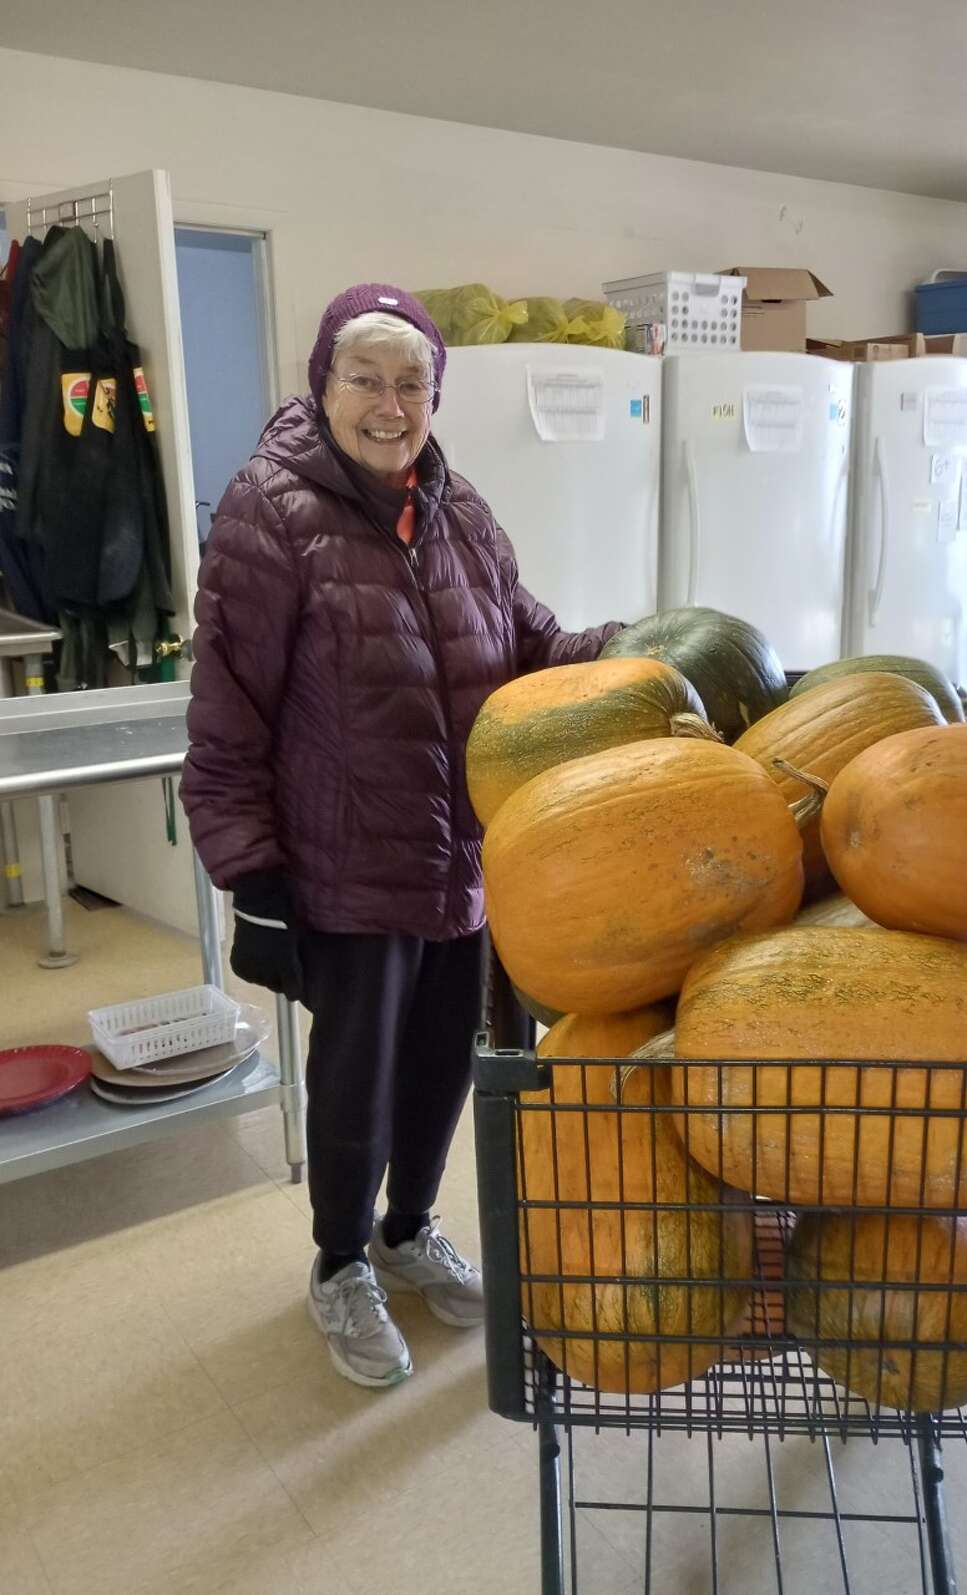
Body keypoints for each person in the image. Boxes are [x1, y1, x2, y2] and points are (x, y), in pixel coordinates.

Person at [181, 284, 620, 1389]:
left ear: (436, 393)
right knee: (356, 1080)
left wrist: (629, 651)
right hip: (341, 861)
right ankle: (339, 1259)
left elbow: (529, 640)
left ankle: (410, 1226)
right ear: (322, 385)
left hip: (460, 854)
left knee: (440, 1065)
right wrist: (252, 873)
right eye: (365, 378)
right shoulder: (269, 510)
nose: (390, 403)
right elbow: (228, 703)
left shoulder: (461, 508)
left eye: (411, 380)